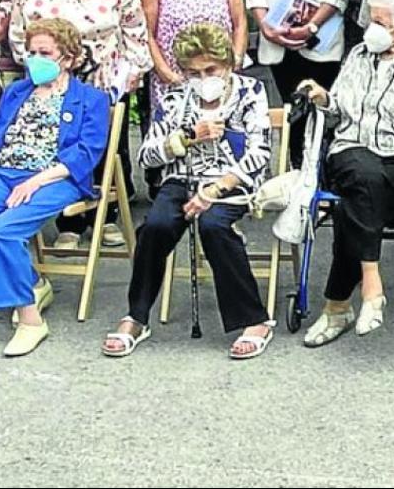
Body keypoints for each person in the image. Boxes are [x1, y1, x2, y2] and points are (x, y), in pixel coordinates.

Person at [109, 23, 277, 359]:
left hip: (232, 180)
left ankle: (255, 320)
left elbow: (260, 152)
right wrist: (183, 139)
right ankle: (137, 316)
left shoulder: (250, 91)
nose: (203, 78)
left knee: (214, 225)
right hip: (181, 179)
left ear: (227, 63)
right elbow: (147, 154)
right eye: (194, 72)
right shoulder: (174, 99)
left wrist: (214, 190)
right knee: (155, 226)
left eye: (211, 69)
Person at [0, 18, 113, 357]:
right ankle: (32, 284)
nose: (35, 58)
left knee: (1, 234)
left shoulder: (91, 99)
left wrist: (37, 180)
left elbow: (87, 153)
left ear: (67, 58)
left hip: (55, 177)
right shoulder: (16, 91)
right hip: (3, 172)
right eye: (31, 51)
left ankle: (30, 320)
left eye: (45, 53)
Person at [295, 0, 394, 347]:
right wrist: (323, 98)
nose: (371, 28)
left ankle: (336, 307)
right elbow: (339, 115)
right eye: (371, 19)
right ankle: (371, 284)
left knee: (354, 204)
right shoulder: (357, 56)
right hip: (351, 150)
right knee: (361, 173)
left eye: (380, 21)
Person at [12, 0, 153, 247]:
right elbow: (20, 35)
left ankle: (107, 218)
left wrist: (135, 70)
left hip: (108, 77)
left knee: (107, 150)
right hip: (56, 80)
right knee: (62, 148)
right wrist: (39, 66)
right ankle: (70, 223)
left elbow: (134, 26)